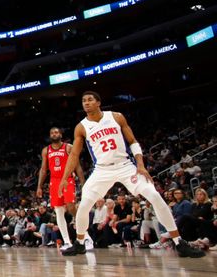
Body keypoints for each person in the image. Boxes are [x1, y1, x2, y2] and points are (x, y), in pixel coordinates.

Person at [59, 91, 204, 257]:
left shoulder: (116, 117)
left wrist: (140, 165)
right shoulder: (81, 126)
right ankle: (79, 243)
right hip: (102, 170)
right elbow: (74, 155)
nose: (86, 103)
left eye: (90, 100)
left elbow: (133, 141)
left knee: (154, 195)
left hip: (125, 166)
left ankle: (179, 242)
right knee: (84, 205)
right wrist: (64, 178)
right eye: (83, 101)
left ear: (98, 102)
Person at [35, 126, 87, 250]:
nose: (54, 134)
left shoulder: (68, 147)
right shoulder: (46, 150)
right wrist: (39, 187)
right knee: (58, 211)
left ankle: (85, 235)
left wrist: (83, 183)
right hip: (54, 181)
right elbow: (43, 170)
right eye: (52, 132)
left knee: (70, 206)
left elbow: (77, 166)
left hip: (68, 179)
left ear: (61, 135)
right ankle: (67, 242)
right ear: (50, 136)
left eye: (56, 132)